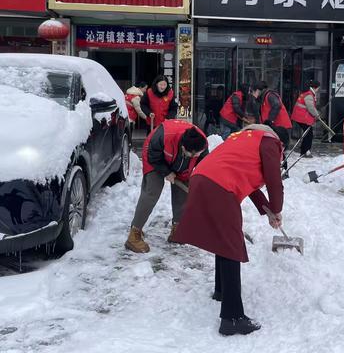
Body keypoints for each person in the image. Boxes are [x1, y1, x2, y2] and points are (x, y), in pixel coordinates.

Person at [173, 124, 290, 336]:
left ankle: (221, 291)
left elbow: (252, 185)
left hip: (202, 177)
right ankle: (232, 318)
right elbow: (274, 180)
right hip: (219, 184)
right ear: (280, 143)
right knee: (231, 245)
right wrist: (278, 209)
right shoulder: (270, 142)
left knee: (223, 238)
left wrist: (269, 211)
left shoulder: (247, 138)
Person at [125, 119, 208, 253]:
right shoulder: (162, 136)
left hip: (180, 163)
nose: (197, 156)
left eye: (198, 154)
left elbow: (204, 166)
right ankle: (134, 234)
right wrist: (167, 172)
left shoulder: (201, 144)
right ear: (183, 148)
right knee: (153, 190)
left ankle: (177, 229)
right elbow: (153, 156)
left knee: (183, 192)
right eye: (194, 154)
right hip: (155, 157)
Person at [290, 80, 321, 158]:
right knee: (309, 134)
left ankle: (304, 151)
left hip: (299, 116)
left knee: (307, 133)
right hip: (302, 117)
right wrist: (317, 115)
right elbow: (310, 107)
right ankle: (306, 151)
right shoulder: (309, 95)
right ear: (316, 87)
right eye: (318, 88)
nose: (318, 90)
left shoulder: (307, 93)